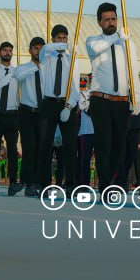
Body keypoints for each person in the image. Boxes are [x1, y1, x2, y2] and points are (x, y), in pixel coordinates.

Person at [86, 2, 139, 191]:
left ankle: (111, 179)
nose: (111, 23)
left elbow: (133, 71)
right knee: (104, 143)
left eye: (114, 19)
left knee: (118, 145)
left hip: (121, 101)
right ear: (99, 22)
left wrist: (136, 98)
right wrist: (116, 36)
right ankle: (104, 184)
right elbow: (96, 49)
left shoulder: (127, 44)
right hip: (101, 100)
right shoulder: (93, 41)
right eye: (107, 20)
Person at [38, 25, 83, 193]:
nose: (62, 42)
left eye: (65, 38)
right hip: (48, 103)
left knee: (70, 146)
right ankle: (44, 184)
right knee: (45, 145)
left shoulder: (72, 59)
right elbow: (43, 50)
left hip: (66, 103)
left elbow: (75, 86)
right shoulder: (46, 56)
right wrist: (58, 46)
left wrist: (69, 106)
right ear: (52, 39)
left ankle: (70, 184)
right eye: (59, 38)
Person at [0, 41, 21, 196]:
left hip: (12, 113)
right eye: (5, 50)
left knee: (12, 150)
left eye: (10, 50)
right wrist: (10, 74)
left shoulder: (17, 71)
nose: (7, 53)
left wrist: (15, 73)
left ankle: (13, 183)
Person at [13, 36, 46, 197]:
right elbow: (18, 77)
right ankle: (28, 182)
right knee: (29, 147)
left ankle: (39, 181)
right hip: (26, 112)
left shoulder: (49, 68)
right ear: (30, 50)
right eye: (36, 48)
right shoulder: (23, 68)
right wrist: (36, 66)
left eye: (41, 48)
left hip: (43, 112)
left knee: (42, 148)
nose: (38, 51)